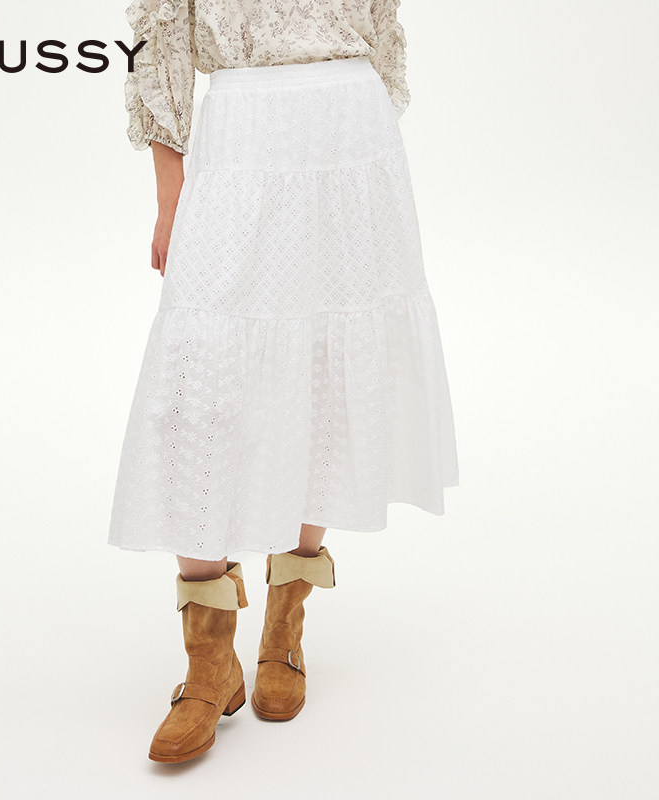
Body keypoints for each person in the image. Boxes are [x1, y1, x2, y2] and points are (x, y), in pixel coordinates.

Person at [108, 0, 459, 763]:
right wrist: (170, 190)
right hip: (240, 129)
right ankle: (210, 658)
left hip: (350, 134)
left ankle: (284, 624)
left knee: (324, 369)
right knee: (195, 385)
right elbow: (160, 30)